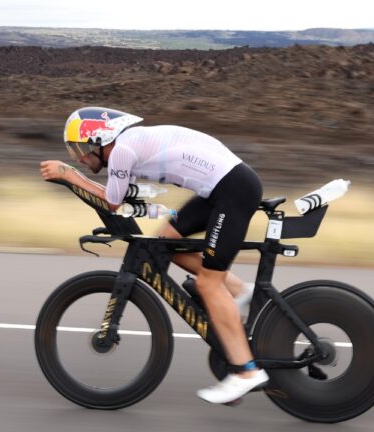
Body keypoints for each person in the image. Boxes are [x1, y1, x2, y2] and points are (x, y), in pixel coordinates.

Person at [39, 106, 268, 404]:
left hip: (231, 191)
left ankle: (246, 372)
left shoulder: (121, 151)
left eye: (83, 149)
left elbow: (112, 203)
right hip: (222, 189)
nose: (81, 158)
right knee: (163, 243)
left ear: (99, 139)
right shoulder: (130, 144)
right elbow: (127, 196)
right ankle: (240, 291)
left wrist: (68, 175)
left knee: (209, 284)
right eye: (75, 154)